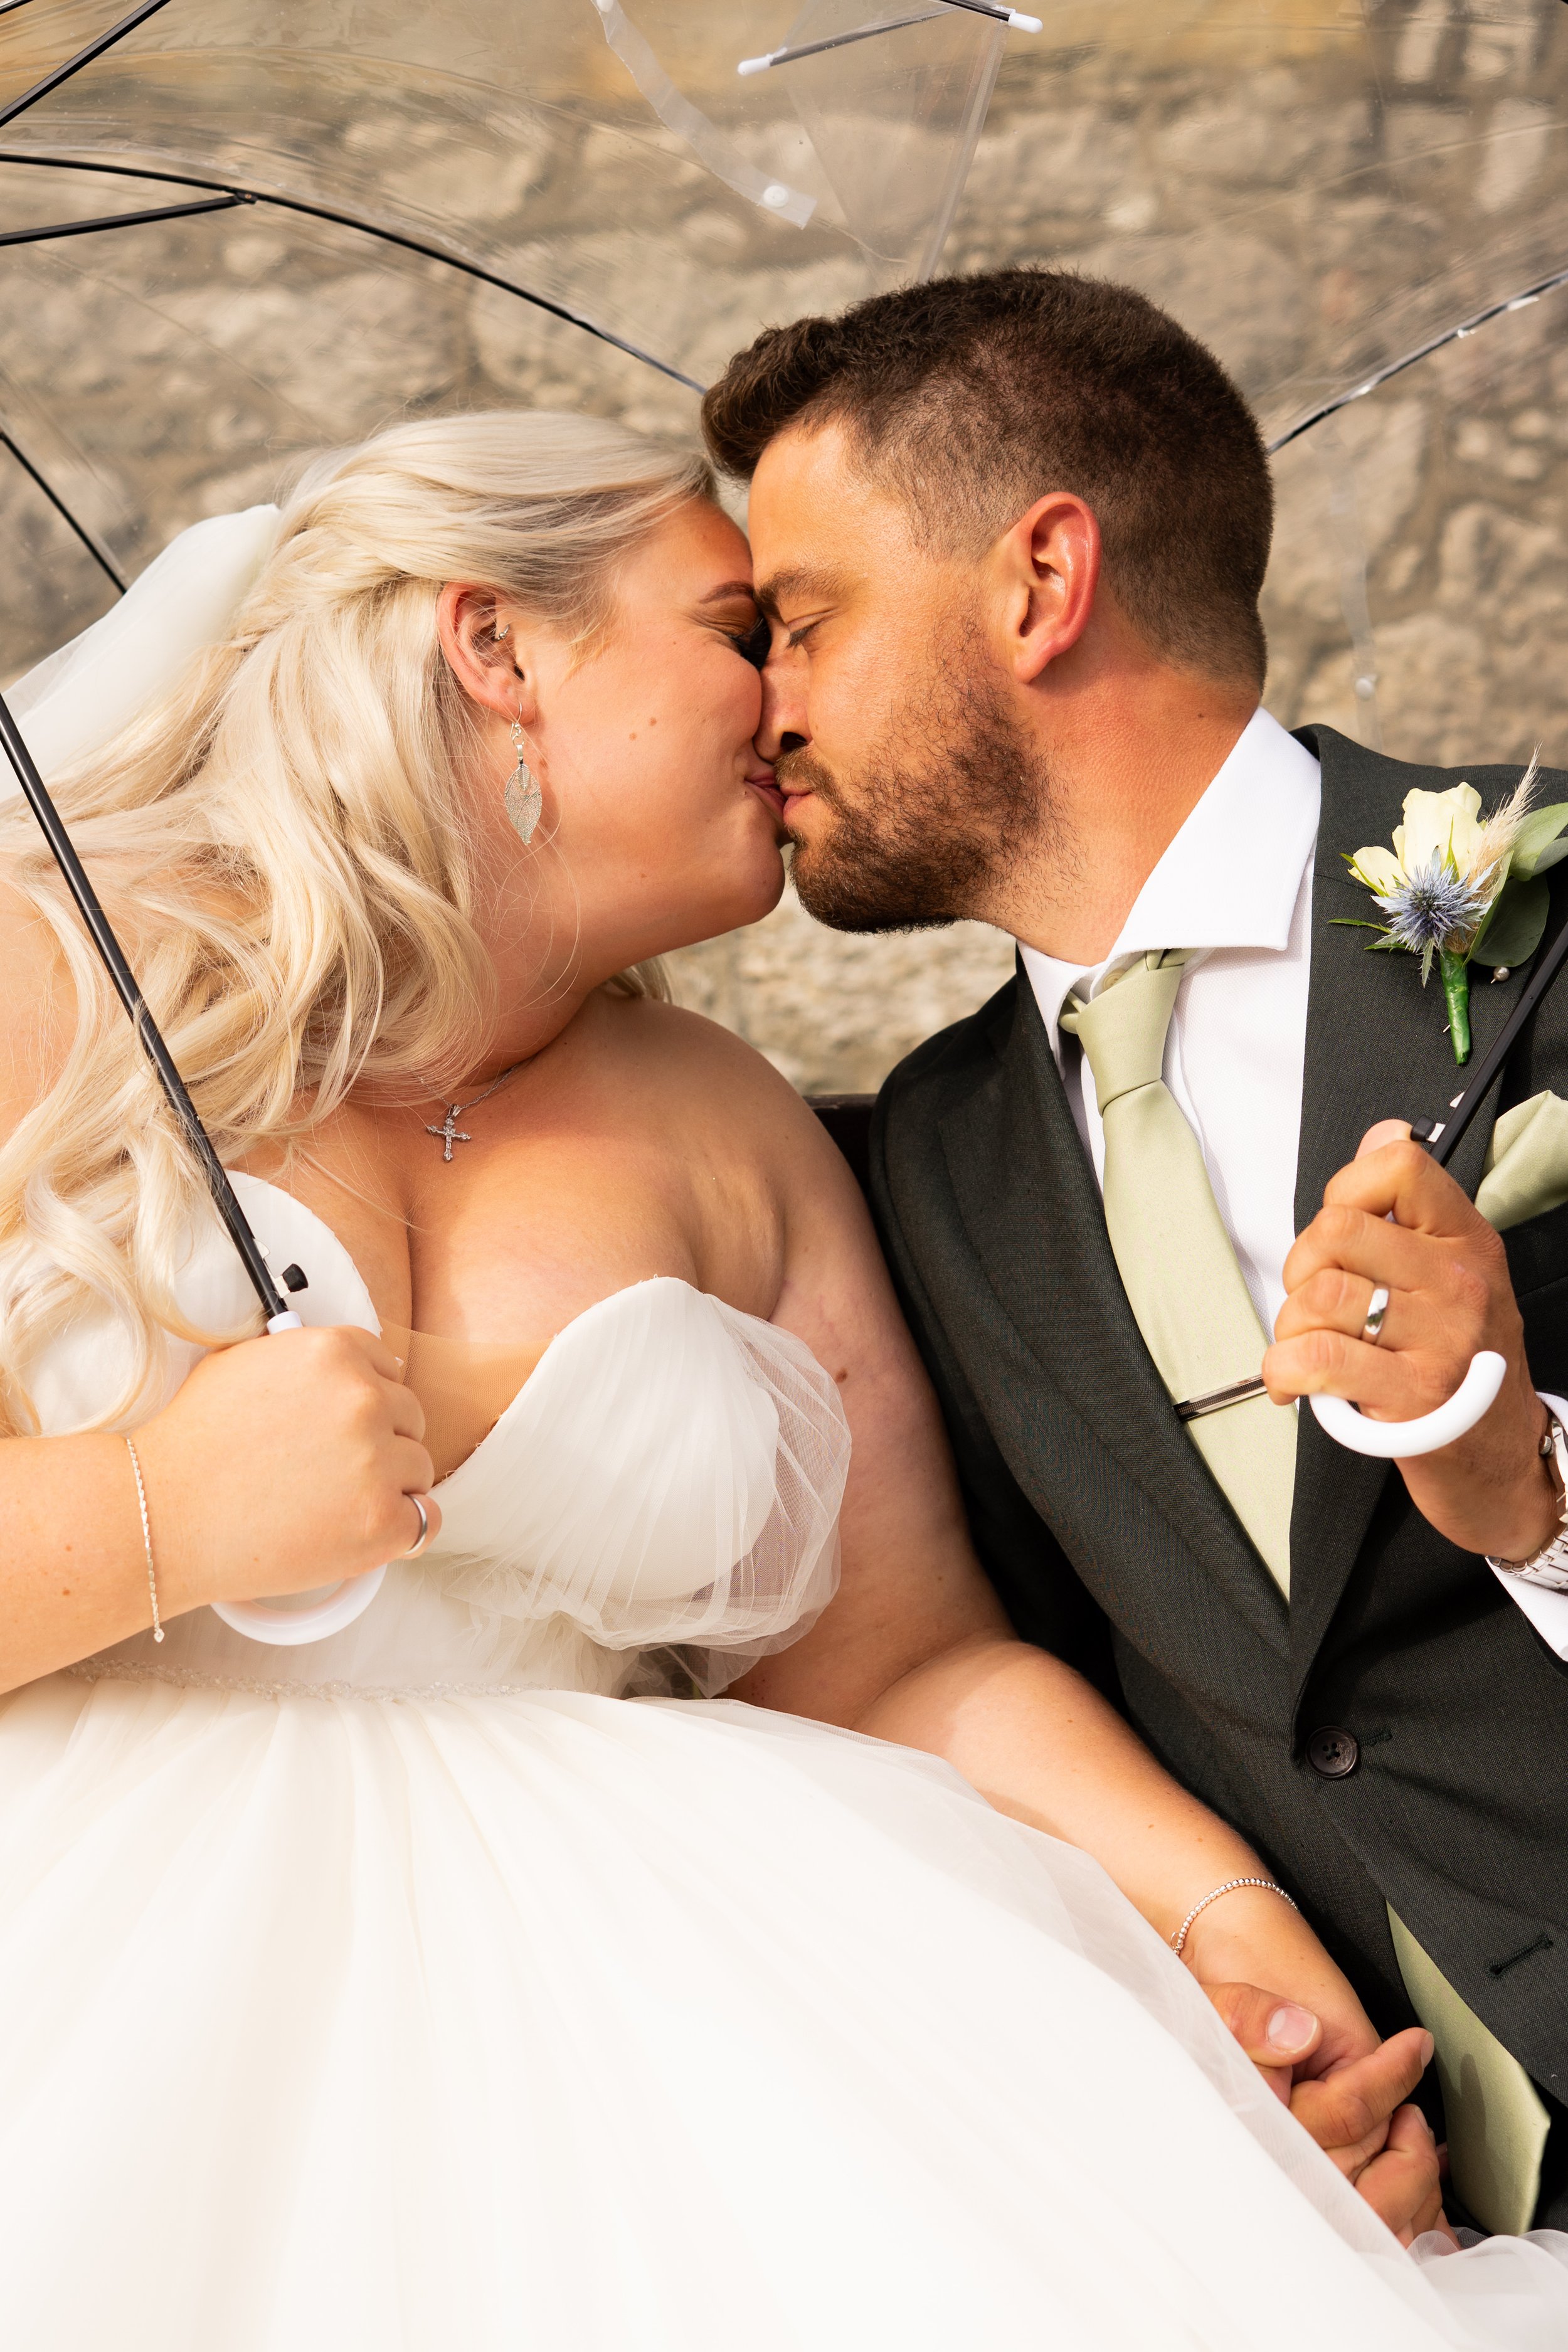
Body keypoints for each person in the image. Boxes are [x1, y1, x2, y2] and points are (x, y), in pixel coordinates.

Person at [0, 410, 1557, 2352]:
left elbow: (900, 1662)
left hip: (671, 2016)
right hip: (93, 1978)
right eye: (736, 623)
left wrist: (1231, 1951)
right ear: (496, 647)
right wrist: (157, 1513)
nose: (787, 695)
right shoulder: (45, 982)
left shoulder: (738, 1130)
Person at [706, 266, 1568, 2247]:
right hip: (1363, 2223)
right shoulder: (922, 1162)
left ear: (1037, 581)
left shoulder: (1545, 927)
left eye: (804, 623)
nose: (766, 703)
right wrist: (1224, 2049)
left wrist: (1525, 1488)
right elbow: (1041, 1683)